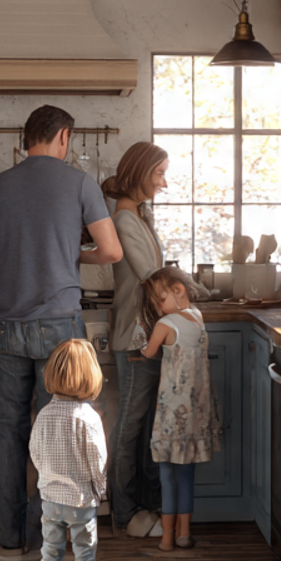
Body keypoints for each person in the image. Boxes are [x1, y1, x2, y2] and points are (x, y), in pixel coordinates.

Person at [0, 105, 123, 551]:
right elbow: (111, 251)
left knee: (8, 428)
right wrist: (75, 256)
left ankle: (7, 534)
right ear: (64, 137)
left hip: (7, 325)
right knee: (60, 429)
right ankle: (45, 534)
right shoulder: (79, 184)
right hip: (60, 326)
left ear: (25, 139)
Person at [101, 141, 170, 538]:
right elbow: (150, 275)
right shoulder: (125, 219)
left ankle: (143, 506)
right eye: (159, 173)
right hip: (135, 337)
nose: (164, 182)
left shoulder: (138, 216)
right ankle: (124, 515)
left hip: (147, 335)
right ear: (141, 172)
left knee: (143, 428)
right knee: (129, 428)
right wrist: (188, 289)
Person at [30, 339, 117, 561]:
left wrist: (47, 477)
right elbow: (98, 461)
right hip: (81, 500)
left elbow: (35, 451)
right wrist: (99, 490)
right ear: (91, 377)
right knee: (84, 551)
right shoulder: (88, 418)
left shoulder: (44, 415)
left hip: (50, 498)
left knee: (50, 552)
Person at [138, 267, 221, 552]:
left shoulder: (167, 323)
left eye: (160, 300)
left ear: (178, 290)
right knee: (187, 477)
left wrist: (140, 339)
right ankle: (185, 535)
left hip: (171, 416)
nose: (158, 307)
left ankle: (166, 540)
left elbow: (148, 352)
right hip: (196, 417)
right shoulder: (198, 318)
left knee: (166, 476)